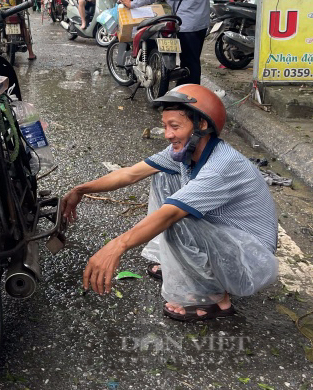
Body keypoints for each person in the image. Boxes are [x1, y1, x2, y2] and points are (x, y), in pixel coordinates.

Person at [60, 84, 278, 322]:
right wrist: (81, 190)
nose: (167, 134)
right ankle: (175, 264)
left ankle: (215, 299)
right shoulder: (186, 152)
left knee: (174, 219)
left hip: (250, 261)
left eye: (175, 126)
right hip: (227, 240)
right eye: (165, 126)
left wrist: (116, 246)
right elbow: (131, 173)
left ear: (201, 125)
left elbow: (170, 214)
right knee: (163, 174)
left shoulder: (221, 166)